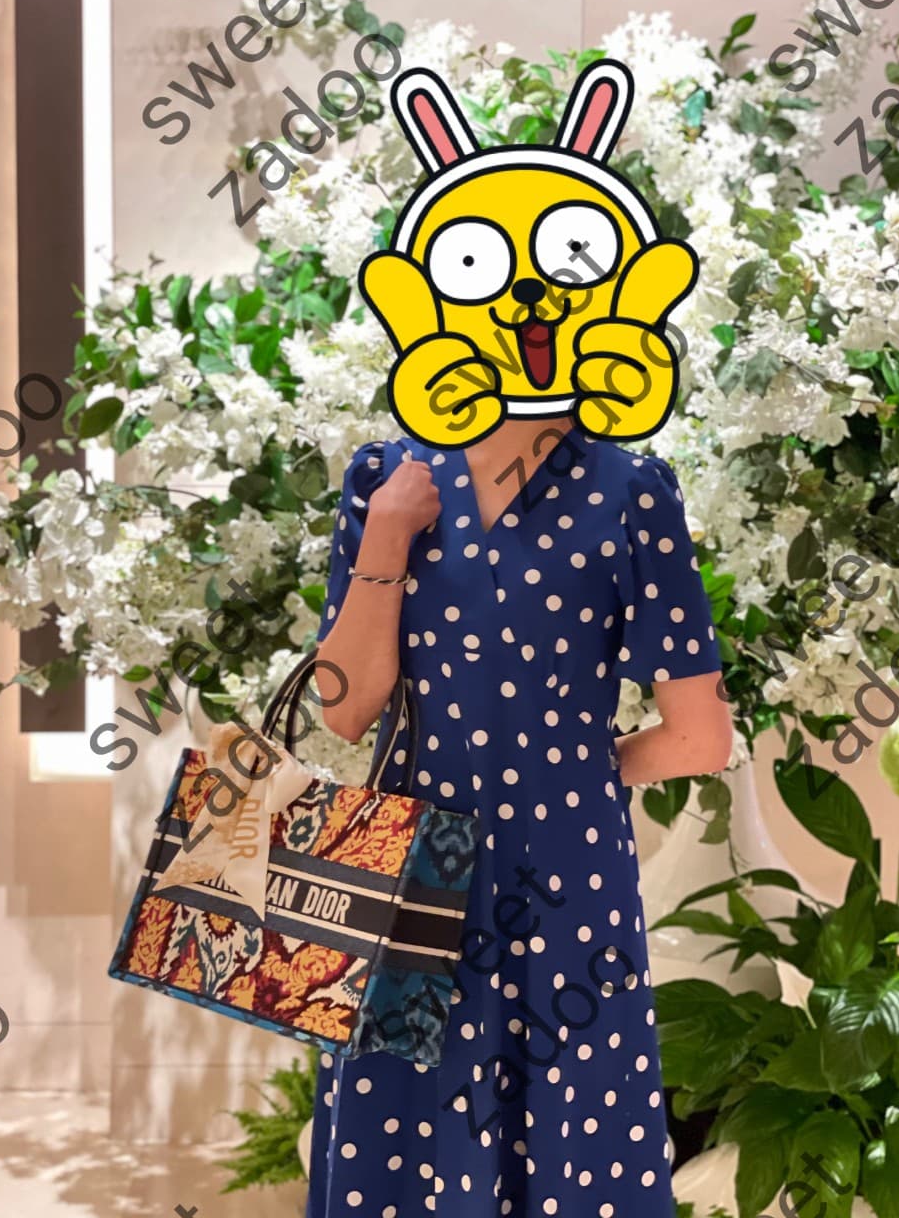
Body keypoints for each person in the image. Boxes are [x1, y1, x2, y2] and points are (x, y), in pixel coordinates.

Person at [307, 412, 733, 1218]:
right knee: (575, 1129)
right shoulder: (395, 484)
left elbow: (703, 740)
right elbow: (345, 708)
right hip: (561, 869)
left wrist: (392, 527)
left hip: (418, 863)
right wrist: (569, 772)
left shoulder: (396, 476)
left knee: (400, 1134)